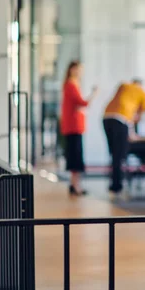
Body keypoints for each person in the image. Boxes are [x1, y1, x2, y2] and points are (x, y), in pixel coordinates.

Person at [103, 78, 145, 196]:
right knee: (120, 154)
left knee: (114, 153)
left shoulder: (123, 85)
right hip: (120, 120)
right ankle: (117, 185)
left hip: (106, 117)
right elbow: (139, 113)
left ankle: (114, 183)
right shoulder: (142, 92)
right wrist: (132, 131)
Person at [60, 61, 98, 196]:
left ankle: (74, 184)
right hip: (73, 127)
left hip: (74, 126)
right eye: (77, 69)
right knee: (75, 157)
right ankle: (76, 186)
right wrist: (94, 93)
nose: (79, 72)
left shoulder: (71, 85)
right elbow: (83, 103)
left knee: (74, 156)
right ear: (71, 70)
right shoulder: (71, 85)